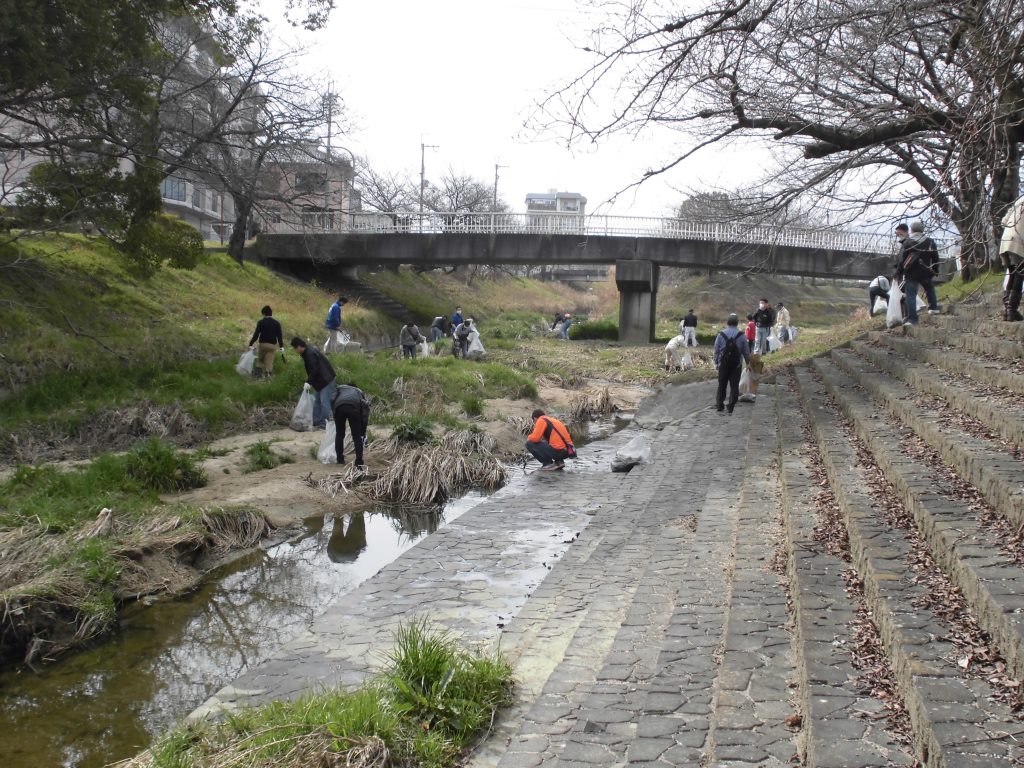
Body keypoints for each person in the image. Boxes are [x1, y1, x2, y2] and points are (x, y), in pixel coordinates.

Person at [896, 220, 941, 326]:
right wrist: (935, 269)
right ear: (922, 230)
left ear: (911, 230)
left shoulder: (908, 242)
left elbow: (901, 259)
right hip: (926, 271)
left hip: (911, 273)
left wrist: (899, 272)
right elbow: (935, 257)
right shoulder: (930, 241)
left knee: (910, 295)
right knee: (929, 288)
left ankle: (912, 319)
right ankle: (933, 308)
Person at [290, 336, 337, 428]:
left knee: (324, 402)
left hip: (326, 380)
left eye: (295, 348)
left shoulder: (309, 354)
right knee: (317, 401)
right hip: (321, 380)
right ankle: (316, 421)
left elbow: (314, 370)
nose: (295, 350)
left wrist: (309, 382)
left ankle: (325, 423)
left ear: (299, 346)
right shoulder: (308, 352)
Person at [713, 313, 751, 414]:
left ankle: (719, 405)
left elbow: (716, 350)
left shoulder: (721, 334)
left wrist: (716, 362)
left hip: (723, 365)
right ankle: (730, 406)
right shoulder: (742, 335)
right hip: (736, 365)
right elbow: (746, 351)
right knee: (734, 386)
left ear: (727, 322)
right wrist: (748, 363)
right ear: (737, 323)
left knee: (722, 385)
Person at [331, 381, 368, 467]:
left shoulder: (340, 389)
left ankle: (340, 459)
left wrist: (334, 414)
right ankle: (359, 461)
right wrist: (363, 431)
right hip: (353, 407)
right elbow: (364, 411)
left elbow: (332, 400)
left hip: (338, 407)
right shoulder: (358, 392)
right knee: (357, 436)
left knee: (339, 434)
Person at [999, 194, 1024, 321]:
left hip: (1006, 240)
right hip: (1018, 241)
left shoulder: (1019, 200)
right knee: (1019, 275)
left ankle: (1007, 310)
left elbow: (1003, 221)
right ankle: (1012, 310)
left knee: (1012, 274)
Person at [248, 305, 284, 378]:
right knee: (269, 362)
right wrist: (281, 347)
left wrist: (251, 344)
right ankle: (268, 377)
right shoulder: (277, 323)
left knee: (260, 361)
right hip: (272, 346)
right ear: (271, 314)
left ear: (264, 314)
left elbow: (256, 335)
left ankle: (257, 376)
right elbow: (279, 336)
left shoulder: (261, 322)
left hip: (263, 345)